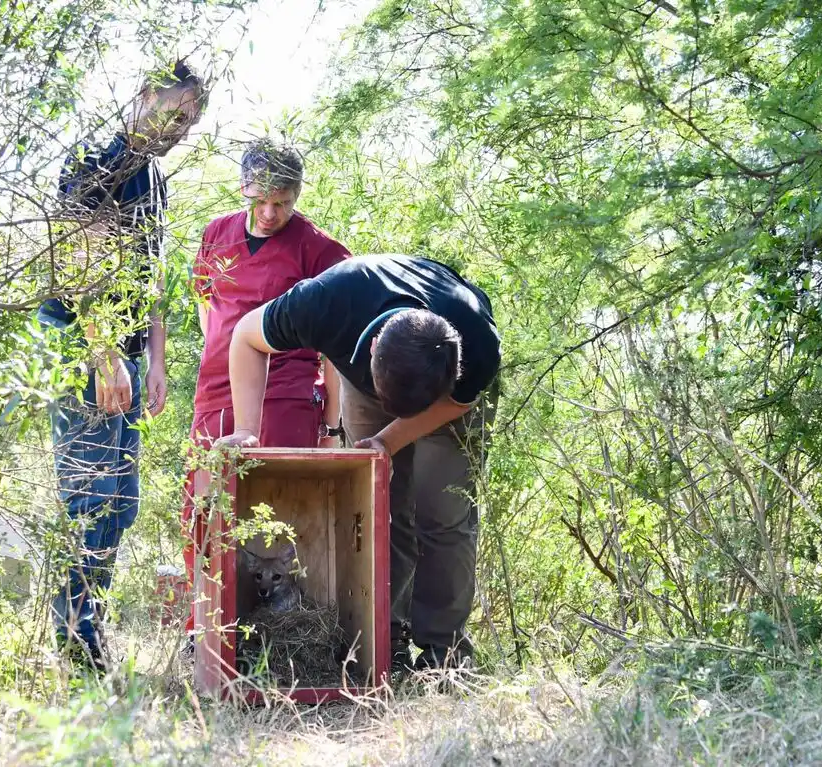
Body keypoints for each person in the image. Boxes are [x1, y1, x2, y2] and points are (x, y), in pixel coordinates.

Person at [215, 254, 501, 672]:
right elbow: (245, 336)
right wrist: (244, 428)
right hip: (372, 365)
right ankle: (385, 642)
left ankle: (445, 656)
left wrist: (389, 438)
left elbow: (460, 401)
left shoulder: (475, 340)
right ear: (369, 350)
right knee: (382, 510)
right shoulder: (326, 302)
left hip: (447, 399)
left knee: (446, 514)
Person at [38, 59, 207, 671]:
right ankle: (73, 638)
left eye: (189, 120)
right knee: (90, 496)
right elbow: (77, 262)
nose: (179, 126)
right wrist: (104, 352)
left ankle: (92, 622)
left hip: (128, 354)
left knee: (122, 502)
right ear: (144, 96)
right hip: (82, 344)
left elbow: (151, 272)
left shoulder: (154, 178)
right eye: (175, 110)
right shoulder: (96, 158)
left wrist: (154, 357)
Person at [181, 138, 351, 642]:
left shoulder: (319, 249)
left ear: (297, 196)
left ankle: (285, 635)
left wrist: (332, 425)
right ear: (243, 189)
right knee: (203, 511)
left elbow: (335, 345)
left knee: (277, 512)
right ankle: (208, 631)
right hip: (215, 396)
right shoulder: (216, 234)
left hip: (286, 394)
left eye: (284, 202)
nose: (272, 212)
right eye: (262, 200)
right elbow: (207, 307)